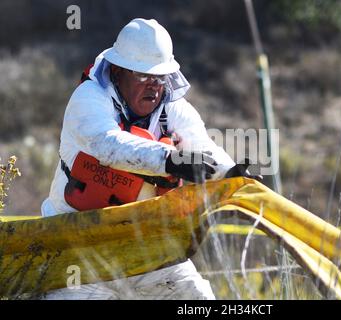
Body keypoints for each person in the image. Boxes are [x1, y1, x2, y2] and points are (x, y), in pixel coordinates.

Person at [40, 18, 258, 300]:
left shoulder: (173, 108)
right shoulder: (88, 98)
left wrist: (230, 172)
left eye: (160, 77)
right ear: (118, 71)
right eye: (143, 76)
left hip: (143, 244)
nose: (154, 86)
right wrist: (169, 159)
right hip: (73, 244)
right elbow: (108, 145)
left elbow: (202, 146)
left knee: (199, 299)